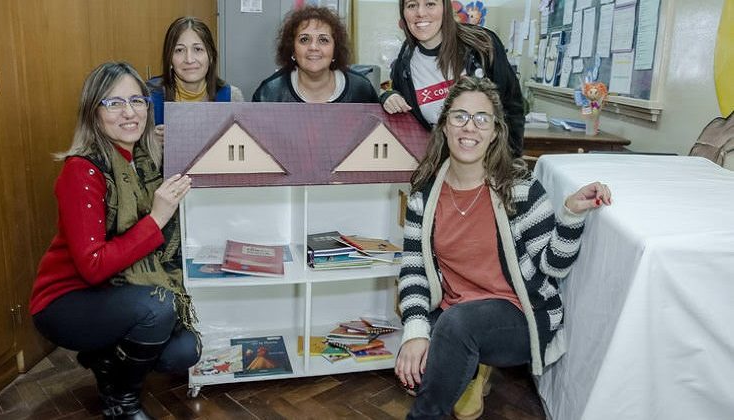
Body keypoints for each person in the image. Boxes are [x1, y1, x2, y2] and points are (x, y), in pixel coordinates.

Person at [395, 77, 611, 420]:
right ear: (444, 125)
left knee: (455, 330)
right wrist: (416, 333)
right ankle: (469, 368)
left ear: (495, 131)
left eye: (482, 119)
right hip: (456, 309)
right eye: (460, 116)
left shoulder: (520, 187)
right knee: (417, 362)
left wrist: (570, 214)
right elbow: (413, 270)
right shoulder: (424, 194)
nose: (470, 127)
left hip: (520, 314)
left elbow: (553, 267)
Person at [30, 62, 201, 420]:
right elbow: (93, 268)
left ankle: (105, 357)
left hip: (118, 291)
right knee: (158, 306)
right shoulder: (81, 171)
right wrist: (157, 217)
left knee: (183, 351)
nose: (129, 112)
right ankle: (121, 402)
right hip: (66, 300)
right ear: (94, 112)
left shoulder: (141, 161)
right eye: (114, 103)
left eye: (137, 101)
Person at [381, 0, 525, 157]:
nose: (420, 13)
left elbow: (512, 107)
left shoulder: (482, 44)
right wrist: (389, 96)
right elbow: (403, 108)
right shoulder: (405, 60)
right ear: (403, 12)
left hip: (490, 165)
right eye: (411, 5)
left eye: (430, 4)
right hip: (441, 167)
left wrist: (510, 162)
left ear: (445, 8)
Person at [252, 6, 379, 103]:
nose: (313, 47)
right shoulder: (268, 93)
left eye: (323, 40)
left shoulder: (361, 89)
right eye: (304, 39)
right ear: (292, 49)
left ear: (335, 49)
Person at [148, 16, 243, 137]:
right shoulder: (150, 96)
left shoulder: (232, 97)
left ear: (211, 56)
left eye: (197, 49)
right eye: (179, 50)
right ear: (169, 58)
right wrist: (150, 144)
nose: (189, 59)